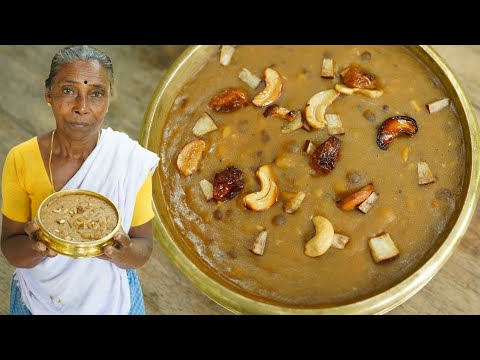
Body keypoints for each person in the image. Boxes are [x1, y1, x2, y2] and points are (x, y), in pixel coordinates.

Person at [0, 45, 160, 315]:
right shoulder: (22, 159)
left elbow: (143, 246)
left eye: (96, 93)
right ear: (48, 94)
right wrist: (38, 247)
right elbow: (10, 245)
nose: (82, 107)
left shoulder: (127, 160)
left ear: (108, 101)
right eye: (68, 90)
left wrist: (121, 252)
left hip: (112, 298)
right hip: (39, 299)